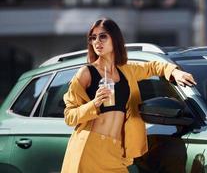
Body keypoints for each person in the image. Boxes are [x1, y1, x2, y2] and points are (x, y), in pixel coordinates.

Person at [61, 18, 196, 173]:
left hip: (117, 152)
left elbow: (154, 66)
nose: (97, 42)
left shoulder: (127, 70)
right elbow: (69, 116)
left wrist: (174, 71)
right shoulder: (86, 73)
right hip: (90, 150)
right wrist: (95, 103)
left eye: (102, 36)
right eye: (93, 38)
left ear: (115, 38)